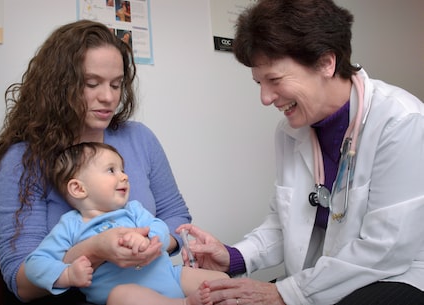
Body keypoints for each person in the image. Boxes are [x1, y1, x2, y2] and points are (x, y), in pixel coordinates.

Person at [178, 0, 424, 304]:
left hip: (398, 275)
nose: (265, 98)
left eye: (275, 80)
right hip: (324, 277)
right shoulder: (290, 132)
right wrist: (233, 256)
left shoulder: (400, 121)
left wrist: (286, 293)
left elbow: (386, 249)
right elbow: (284, 223)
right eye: (258, 83)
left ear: (326, 63)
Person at [0, 20, 191, 304]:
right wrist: (96, 250)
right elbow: (22, 284)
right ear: (59, 86)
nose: (109, 97)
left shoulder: (140, 139)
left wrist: (157, 243)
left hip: (151, 287)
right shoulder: (24, 161)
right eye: (92, 84)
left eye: (116, 84)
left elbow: (176, 216)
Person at [25, 142, 228, 305]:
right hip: (126, 296)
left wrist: (146, 238)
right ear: (78, 188)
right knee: (123, 295)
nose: (124, 176)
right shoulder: (70, 225)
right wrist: (67, 274)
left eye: (122, 170)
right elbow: (34, 264)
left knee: (223, 283)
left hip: (171, 277)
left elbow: (161, 228)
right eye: (111, 170)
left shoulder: (133, 210)